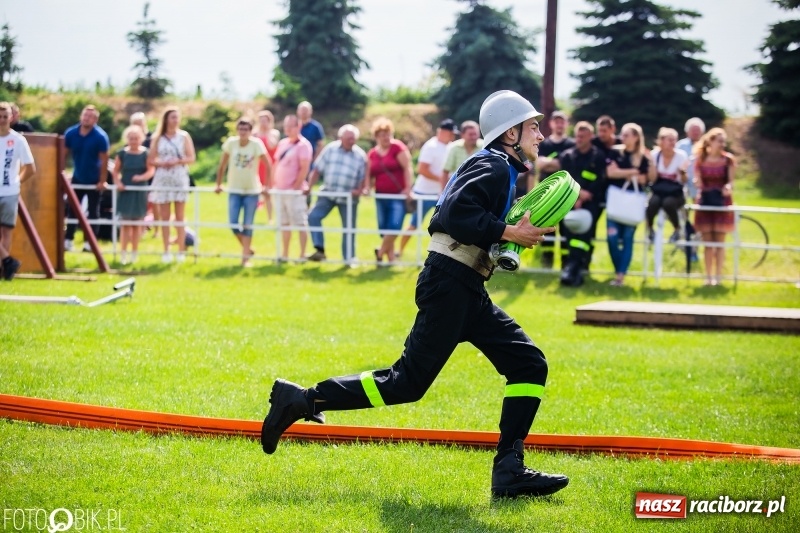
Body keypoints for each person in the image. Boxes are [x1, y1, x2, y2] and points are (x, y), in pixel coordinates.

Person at [259, 90, 569, 499]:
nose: (540, 134)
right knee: (406, 384)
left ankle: (509, 469)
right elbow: (449, 215)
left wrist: (503, 242)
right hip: (449, 286)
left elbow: (467, 221)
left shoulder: (499, 167)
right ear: (510, 132)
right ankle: (302, 399)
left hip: (466, 287)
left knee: (529, 364)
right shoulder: (493, 165)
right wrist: (508, 232)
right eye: (533, 126)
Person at [306, 124, 368, 263]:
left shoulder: (360, 156)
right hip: (328, 193)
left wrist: (359, 190)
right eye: (348, 138)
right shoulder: (330, 149)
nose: (351, 141)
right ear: (341, 138)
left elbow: (364, 178)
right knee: (313, 217)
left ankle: (349, 259)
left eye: (353, 138)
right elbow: (317, 169)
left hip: (348, 198)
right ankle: (319, 249)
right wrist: (309, 187)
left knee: (349, 228)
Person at [397, 118, 458, 257]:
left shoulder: (451, 146)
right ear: (442, 131)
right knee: (414, 225)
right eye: (451, 132)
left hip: (441, 194)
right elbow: (422, 169)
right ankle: (399, 251)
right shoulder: (431, 146)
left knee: (446, 226)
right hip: (424, 193)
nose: (453, 135)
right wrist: (443, 179)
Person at [216, 118, 272, 267]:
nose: (242, 132)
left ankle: (245, 258)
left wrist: (266, 186)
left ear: (250, 131)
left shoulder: (256, 145)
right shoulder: (231, 143)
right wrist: (218, 184)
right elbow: (222, 165)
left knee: (248, 224)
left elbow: (268, 165)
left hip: (251, 190)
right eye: (240, 129)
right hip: (234, 189)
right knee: (233, 223)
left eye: (245, 129)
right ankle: (248, 249)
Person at [557, 121, 607, 286]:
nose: (578, 139)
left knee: (586, 234)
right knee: (571, 232)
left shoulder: (598, 157)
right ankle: (573, 267)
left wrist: (585, 195)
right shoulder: (567, 156)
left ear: (591, 137)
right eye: (577, 135)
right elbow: (565, 179)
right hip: (570, 201)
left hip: (592, 202)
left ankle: (578, 266)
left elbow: (600, 180)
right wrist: (577, 195)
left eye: (582, 136)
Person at [148, 107, 196, 263]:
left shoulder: (184, 136)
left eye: (177, 117)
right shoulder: (158, 138)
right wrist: (162, 163)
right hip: (163, 178)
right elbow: (150, 160)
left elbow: (191, 157)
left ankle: (181, 250)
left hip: (179, 178)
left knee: (180, 217)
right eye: (172, 117)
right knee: (165, 217)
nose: (175, 120)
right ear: (166, 119)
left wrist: (177, 161)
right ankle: (166, 250)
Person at [605, 123, 650, 286]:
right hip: (616, 202)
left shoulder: (643, 157)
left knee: (627, 238)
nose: (622, 137)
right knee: (612, 238)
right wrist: (632, 172)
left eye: (627, 135)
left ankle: (620, 276)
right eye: (622, 134)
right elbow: (610, 172)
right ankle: (619, 270)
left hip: (632, 203)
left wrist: (622, 173)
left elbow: (645, 179)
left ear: (636, 137)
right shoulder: (615, 152)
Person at [63, 105, 110, 252]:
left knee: (93, 211)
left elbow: (104, 160)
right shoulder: (71, 133)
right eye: (84, 115)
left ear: (95, 119)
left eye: (90, 116)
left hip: (94, 179)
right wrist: (62, 174)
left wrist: (102, 180)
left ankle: (89, 243)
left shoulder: (100, 137)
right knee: (72, 210)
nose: (86, 118)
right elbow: (62, 155)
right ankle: (68, 240)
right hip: (77, 177)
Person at [367, 117, 413, 264]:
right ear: (376, 137)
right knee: (384, 227)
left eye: (388, 133)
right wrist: (367, 187)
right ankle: (391, 259)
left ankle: (380, 253)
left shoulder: (398, 148)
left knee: (394, 225)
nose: (386, 137)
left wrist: (407, 188)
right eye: (382, 135)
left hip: (397, 195)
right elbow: (368, 174)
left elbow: (407, 168)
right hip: (380, 195)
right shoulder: (373, 154)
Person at [693, 127, 735, 286]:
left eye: (724, 141)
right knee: (708, 243)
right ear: (710, 141)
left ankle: (718, 276)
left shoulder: (728, 160)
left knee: (719, 243)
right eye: (719, 141)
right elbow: (697, 179)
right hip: (705, 202)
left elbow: (731, 181)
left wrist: (728, 188)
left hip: (721, 203)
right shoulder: (701, 159)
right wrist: (697, 184)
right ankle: (708, 276)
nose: (722, 144)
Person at [535, 111, 576, 269]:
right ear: (551, 124)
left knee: (566, 228)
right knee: (547, 225)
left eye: (562, 122)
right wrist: (558, 162)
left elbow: (568, 165)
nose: (559, 125)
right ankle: (547, 261)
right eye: (556, 122)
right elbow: (539, 164)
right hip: (546, 191)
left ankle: (566, 262)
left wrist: (549, 162)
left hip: (566, 192)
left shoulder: (572, 144)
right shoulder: (544, 143)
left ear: (567, 124)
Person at [0, 102, 36, 280]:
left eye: (5, 116)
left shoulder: (18, 140)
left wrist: (17, 181)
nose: (2, 119)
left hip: (9, 191)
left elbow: (30, 167)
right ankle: (7, 260)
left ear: (11, 117)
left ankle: (3, 268)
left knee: (6, 231)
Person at [112, 125, 154, 265]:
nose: (134, 141)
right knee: (125, 225)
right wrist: (118, 183)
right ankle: (123, 253)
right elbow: (116, 171)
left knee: (137, 225)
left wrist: (141, 178)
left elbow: (150, 170)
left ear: (140, 139)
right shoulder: (122, 154)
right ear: (127, 139)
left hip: (140, 191)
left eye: (136, 138)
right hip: (126, 191)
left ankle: (134, 253)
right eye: (131, 138)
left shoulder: (146, 153)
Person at [273, 114, 313, 261]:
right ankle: (285, 254)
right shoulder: (283, 143)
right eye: (286, 126)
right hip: (280, 191)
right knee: (284, 223)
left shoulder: (304, 145)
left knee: (300, 222)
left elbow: (304, 168)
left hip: (294, 192)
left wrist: (295, 187)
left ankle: (302, 254)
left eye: (291, 126)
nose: (287, 129)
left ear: (298, 127)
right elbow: (276, 164)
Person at [646, 127, 689, 242]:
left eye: (674, 140)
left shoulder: (681, 156)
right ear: (661, 141)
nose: (673, 143)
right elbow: (652, 179)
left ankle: (677, 229)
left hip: (675, 192)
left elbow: (684, 180)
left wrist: (683, 172)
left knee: (668, 203)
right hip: (659, 190)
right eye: (670, 140)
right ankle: (650, 229)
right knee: (652, 203)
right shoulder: (655, 155)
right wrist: (651, 165)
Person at [253, 110, 280, 222]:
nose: (263, 123)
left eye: (265, 120)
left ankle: (270, 218)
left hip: (270, 167)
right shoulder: (254, 134)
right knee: (254, 192)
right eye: (261, 120)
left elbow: (272, 145)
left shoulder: (274, 133)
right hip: (257, 166)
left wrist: (266, 133)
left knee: (268, 193)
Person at [676, 117, 705, 201]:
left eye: (697, 130)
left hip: (698, 181)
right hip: (682, 180)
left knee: (698, 204)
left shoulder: (706, 146)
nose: (695, 132)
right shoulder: (680, 145)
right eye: (693, 130)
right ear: (687, 132)